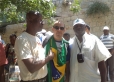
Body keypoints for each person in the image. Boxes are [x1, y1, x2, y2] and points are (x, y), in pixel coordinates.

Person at [14, 11, 54, 82]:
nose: (43, 23)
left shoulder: (37, 38)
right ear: (30, 21)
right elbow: (32, 67)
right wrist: (48, 58)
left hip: (43, 79)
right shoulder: (23, 39)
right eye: (40, 20)